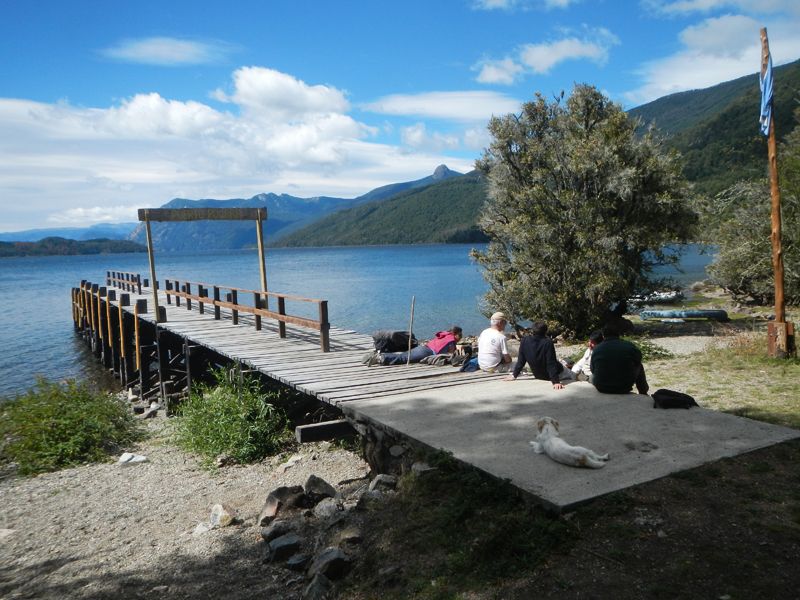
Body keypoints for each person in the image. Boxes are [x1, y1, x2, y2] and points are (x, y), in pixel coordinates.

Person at [590, 322, 649, 394]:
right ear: (619, 334)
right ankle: (643, 391)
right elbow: (638, 360)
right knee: (640, 366)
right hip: (623, 387)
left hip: (601, 387)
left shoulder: (597, 349)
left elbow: (592, 369)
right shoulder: (629, 346)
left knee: (591, 377)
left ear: (603, 335)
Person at [506, 321, 566, 389]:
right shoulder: (548, 342)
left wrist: (514, 375)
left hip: (538, 375)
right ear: (545, 331)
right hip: (554, 374)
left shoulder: (524, 340)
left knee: (562, 362)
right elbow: (550, 363)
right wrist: (555, 381)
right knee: (572, 373)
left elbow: (521, 361)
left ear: (533, 330)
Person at [365, 326, 463, 366]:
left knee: (403, 355)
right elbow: (450, 354)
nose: (461, 337)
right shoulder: (451, 339)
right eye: (460, 335)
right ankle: (380, 358)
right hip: (427, 352)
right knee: (403, 358)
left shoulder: (444, 335)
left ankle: (379, 356)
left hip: (423, 347)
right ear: (455, 334)